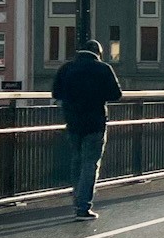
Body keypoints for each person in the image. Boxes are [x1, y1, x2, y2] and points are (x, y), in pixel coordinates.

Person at [51, 39, 122, 220]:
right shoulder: (103, 68)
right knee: (90, 163)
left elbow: (56, 93)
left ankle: (77, 199)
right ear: (98, 52)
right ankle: (83, 207)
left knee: (76, 161)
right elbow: (116, 94)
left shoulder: (66, 69)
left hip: (73, 122)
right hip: (95, 122)